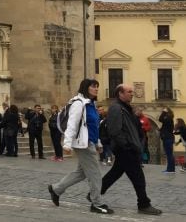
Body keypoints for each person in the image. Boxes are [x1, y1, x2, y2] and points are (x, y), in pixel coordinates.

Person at [47, 78, 113, 215]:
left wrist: (98, 143)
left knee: (81, 173)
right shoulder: (79, 104)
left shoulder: (90, 104)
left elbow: (93, 127)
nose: (96, 89)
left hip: (90, 142)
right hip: (83, 144)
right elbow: (72, 124)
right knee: (95, 174)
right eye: (93, 86)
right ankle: (97, 203)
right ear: (86, 88)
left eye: (97, 87)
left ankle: (56, 189)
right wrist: (67, 143)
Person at [101, 84, 161, 216]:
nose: (132, 94)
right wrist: (127, 145)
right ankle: (144, 204)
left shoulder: (126, 108)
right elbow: (114, 131)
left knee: (114, 173)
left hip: (128, 148)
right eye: (129, 92)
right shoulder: (116, 108)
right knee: (138, 177)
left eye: (132, 92)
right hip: (125, 149)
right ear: (120, 94)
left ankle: (94, 193)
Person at [159, 106, 175, 173]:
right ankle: (171, 169)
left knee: (169, 154)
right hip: (168, 137)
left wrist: (163, 112)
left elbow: (160, 119)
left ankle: (170, 170)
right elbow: (164, 125)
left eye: (164, 110)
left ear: (167, 111)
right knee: (169, 154)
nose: (163, 110)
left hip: (167, 138)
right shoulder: (169, 118)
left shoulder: (168, 118)